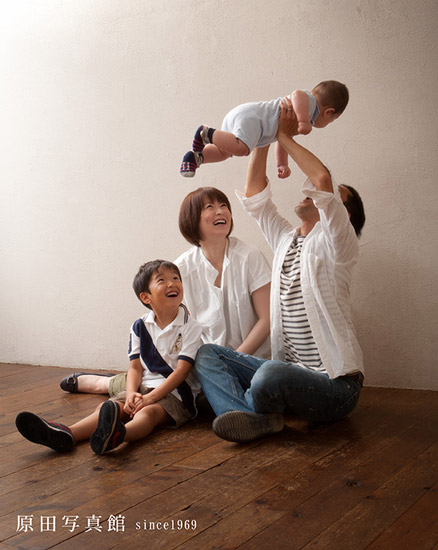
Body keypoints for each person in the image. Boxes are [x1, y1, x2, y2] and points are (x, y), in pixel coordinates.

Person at [194, 97, 366, 443]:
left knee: (269, 374)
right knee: (208, 354)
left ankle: (243, 408)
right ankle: (253, 418)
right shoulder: (287, 240)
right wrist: (263, 135)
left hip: (336, 386)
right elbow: (255, 196)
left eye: (330, 197)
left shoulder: (339, 245)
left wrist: (284, 134)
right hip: (289, 374)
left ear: (342, 215)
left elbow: (321, 178)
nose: (310, 192)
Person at [59, 188, 271, 395]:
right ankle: (103, 384)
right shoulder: (181, 268)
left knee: (259, 388)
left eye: (224, 205)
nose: (220, 211)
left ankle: (113, 384)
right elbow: (172, 321)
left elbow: (267, 319)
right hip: (203, 362)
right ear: (192, 220)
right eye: (210, 207)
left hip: (249, 360)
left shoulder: (250, 257)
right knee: (172, 385)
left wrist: (231, 360)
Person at [15, 260, 203, 454]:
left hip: (177, 394)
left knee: (149, 413)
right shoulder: (139, 326)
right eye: (162, 280)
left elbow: (182, 371)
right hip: (143, 387)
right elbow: (135, 367)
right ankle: (68, 433)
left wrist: (150, 399)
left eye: (175, 278)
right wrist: (131, 394)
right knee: (110, 406)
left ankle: (118, 435)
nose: (172, 283)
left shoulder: (191, 327)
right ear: (146, 297)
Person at [180, 80, 348, 179]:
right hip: (252, 119)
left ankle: (196, 157)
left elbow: (284, 139)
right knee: (242, 149)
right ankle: (206, 133)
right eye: (331, 121)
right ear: (328, 112)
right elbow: (298, 94)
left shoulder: (300, 115)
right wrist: (304, 121)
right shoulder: (309, 103)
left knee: (224, 152)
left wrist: (282, 163)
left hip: (244, 117)